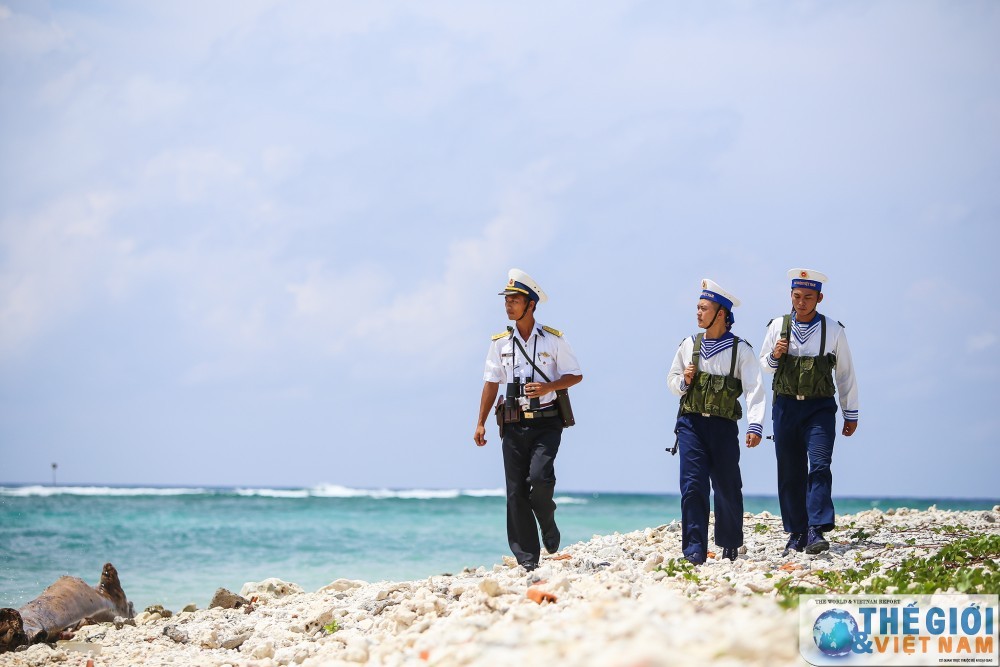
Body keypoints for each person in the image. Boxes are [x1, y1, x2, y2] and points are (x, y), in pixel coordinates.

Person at [474, 269, 583, 572]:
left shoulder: (553, 340)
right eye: (506, 300)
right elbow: (490, 382)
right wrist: (480, 422)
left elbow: (576, 375)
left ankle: (547, 522)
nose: (508, 305)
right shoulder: (499, 344)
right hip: (512, 422)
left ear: (531, 304)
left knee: (539, 479)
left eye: (515, 300)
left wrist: (549, 387)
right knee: (515, 491)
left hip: (547, 421)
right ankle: (527, 559)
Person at [759, 268, 859, 556]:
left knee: (819, 464)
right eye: (797, 296)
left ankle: (817, 528)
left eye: (808, 297)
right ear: (791, 296)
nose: (801, 302)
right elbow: (764, 366)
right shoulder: (777, 325)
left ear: (819, 298)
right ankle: (796, 532)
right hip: (786, 407)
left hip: (820, 408)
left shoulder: (833, 330)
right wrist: (776, 354)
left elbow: (845, 373)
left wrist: (850, 412)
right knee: (790, 472)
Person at [667, 279, 765, 565]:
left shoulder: (740, 350)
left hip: (723, 427)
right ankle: (694, 549)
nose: (697, 313)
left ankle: (730, 542)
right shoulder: (688, 345)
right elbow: (671, 382)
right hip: (691, 426)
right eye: (697, 307)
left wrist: (755, 425)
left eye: (703, 308)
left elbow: (755, 390)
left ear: (721, 313)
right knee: (692, 486)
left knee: (727, 485)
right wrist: (684, 381)